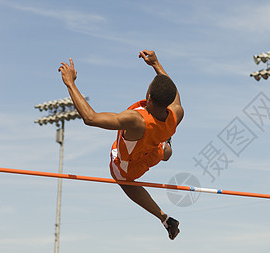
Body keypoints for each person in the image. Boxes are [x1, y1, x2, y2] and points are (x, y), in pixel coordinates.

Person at [58, 50, 184, 240]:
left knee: (120, 176)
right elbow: (173, 94)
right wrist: (156, 65)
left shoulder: (136, 120)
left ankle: (163, 217)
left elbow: (90, 118)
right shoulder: (177, 113)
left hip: (129, 166)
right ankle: (166, 148)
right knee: (162, 149)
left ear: (148, 96)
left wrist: (70, 83)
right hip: (153, 151)